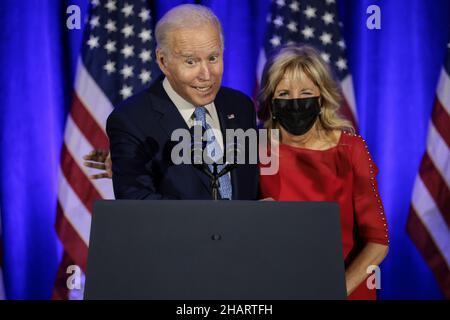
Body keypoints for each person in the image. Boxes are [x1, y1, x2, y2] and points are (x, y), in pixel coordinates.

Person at [258, 44, 389, 299]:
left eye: (305, 92)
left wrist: (334, 291)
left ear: (321, 97)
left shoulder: (350, 149)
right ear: (271, 101)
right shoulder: (254, 148)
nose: (295, 103)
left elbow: (378, 240)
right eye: (284, 93)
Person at [103, 4, 258, 200]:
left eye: (213, 58)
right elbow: (139, 209)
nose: (206, 74)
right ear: (163, 61)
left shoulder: (240, 106)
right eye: (191, 61)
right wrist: (215, 226)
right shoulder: (131, 121)